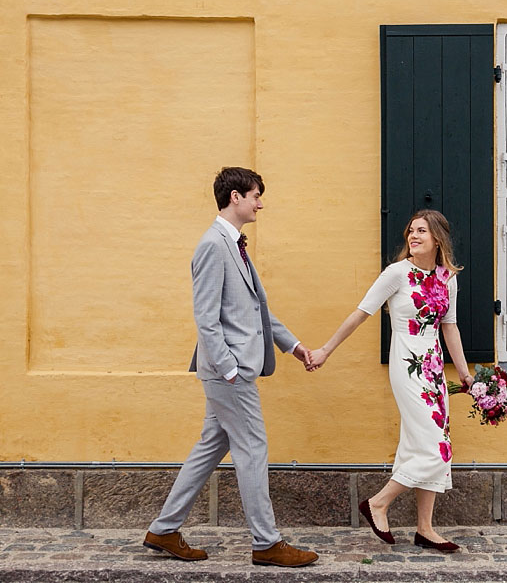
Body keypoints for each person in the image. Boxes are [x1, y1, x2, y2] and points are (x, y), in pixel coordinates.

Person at [143, 167, 318, 568]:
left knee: (210, 447)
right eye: (256, 195)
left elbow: (256, 311)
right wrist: (229, 369)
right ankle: (266, 543)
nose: (260, 203)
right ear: (235, 197)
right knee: (253, 448)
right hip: (230, 371)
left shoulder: (235, 245)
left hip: (234, 369)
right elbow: (205, 317)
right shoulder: (212, 245)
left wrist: (294, 347)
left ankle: (164, 529)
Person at [306, 209, 473, 552]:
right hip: (407, 364)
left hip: (433, 367)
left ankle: (425, 528)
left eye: (421, 231)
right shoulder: (396, 273)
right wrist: (326, 350)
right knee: (435, 446)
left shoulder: (447, 278)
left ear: (437, 238)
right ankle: (379, 503)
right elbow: (360, 313)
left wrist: (465, 372)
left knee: (424, 441)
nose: (413, 236)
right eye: (411, 231)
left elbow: (449, 326)